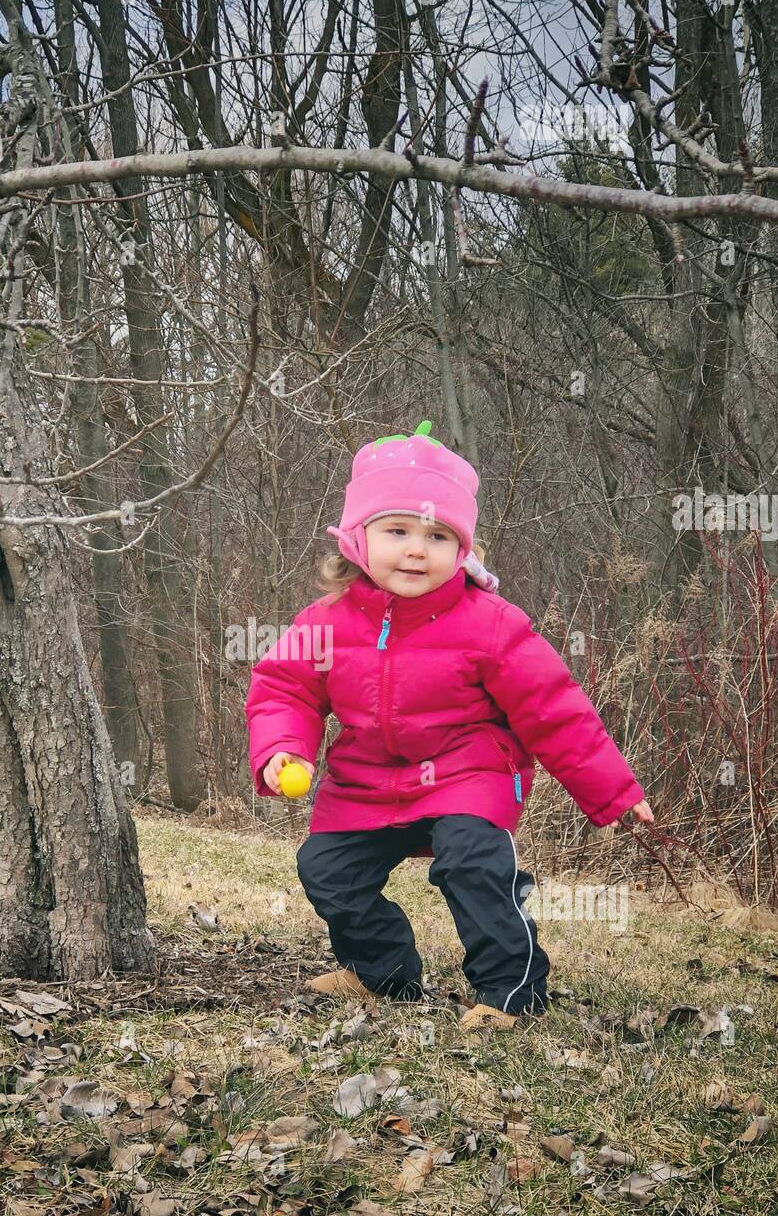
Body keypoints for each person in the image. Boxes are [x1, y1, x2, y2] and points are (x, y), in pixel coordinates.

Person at [244, 421, 654, 1031]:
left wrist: (613, 791)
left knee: (472, 861)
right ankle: (380, 970)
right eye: (397, 531)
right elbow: (285, 690)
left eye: (437, 536)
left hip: (469, 772)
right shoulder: (323, 622)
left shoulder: (490, 623)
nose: (416, 549)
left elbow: (554, 709)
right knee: (325, 869)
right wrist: (282, 748)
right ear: (356, 539)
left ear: (462, 550)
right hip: (366, 781)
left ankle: (510, 991)